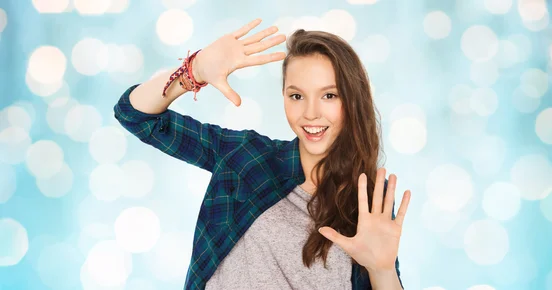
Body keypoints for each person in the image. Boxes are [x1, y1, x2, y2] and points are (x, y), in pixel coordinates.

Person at [114, 18, 411, 290]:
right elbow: (135, 116)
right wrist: (195, 70)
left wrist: (383, 270)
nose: (310, 113)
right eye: (296, 96)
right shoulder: (247, 157)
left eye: (329, 95)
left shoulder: (367, 199)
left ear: (352, 100)